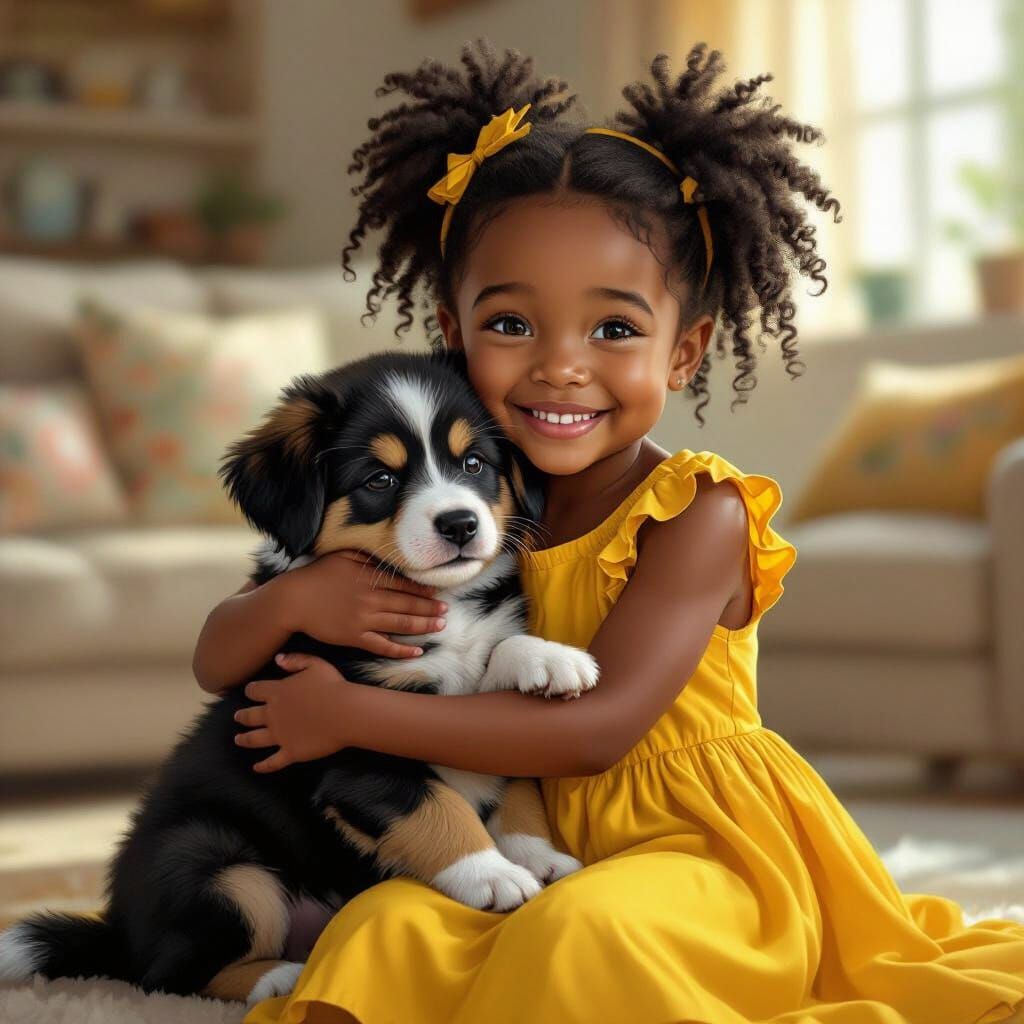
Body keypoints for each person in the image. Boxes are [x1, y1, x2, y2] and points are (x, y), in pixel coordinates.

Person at [192, 39, 1024, 1024]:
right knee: (378, 930)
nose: (560, 367)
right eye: (511, 325)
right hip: (518, 829)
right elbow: (218, 659)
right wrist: (293, 595)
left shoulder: (698, 512)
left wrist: (346, 717)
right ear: (452, 337)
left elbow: (593, 728)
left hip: (700, 848)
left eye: (614, 330)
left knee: (576, 934)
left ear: (686, 351)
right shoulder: (469, 512)